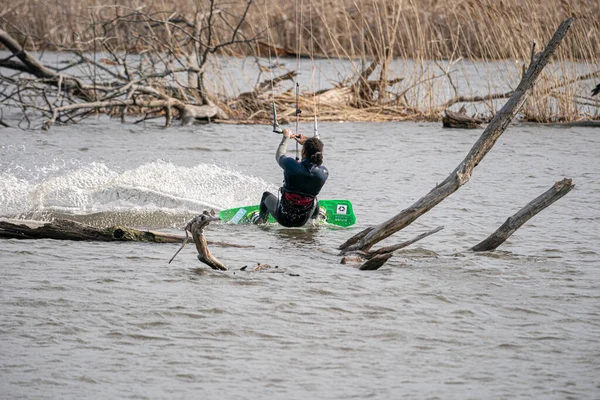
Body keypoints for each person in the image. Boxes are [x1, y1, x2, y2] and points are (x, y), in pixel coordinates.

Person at [253, 128, 328, 227]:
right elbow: (310, 170)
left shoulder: (292, 165)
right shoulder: (323, 173)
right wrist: (307, 142)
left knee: (266, 195)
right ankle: (316, 219)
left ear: (304, 152)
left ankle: (261, 220)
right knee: (312, 197)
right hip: (303, 221)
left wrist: (286, 137)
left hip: (283, 218)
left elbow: (279, 155)